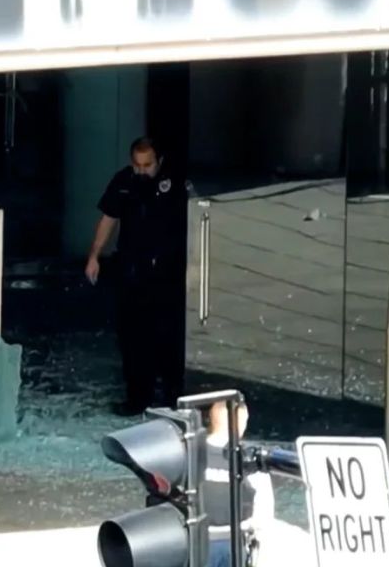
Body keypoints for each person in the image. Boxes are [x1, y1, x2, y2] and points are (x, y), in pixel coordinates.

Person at [85, 136, 187, 416]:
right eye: (137, 165)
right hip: (132, 268)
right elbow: (109, 217)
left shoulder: (174, 184)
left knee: (167, 336)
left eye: (148, 165)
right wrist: (94, 254)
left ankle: (171, 397)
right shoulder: (124, 182)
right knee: (132, 337)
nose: (142, 171)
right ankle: (136, 397)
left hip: (166, 271)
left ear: (159, 161)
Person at [203, 402, 274, 567]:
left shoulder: (190, 455)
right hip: (234, 545)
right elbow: (264, 515)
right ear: (241, 423)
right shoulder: (251, 460)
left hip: (195, 542)